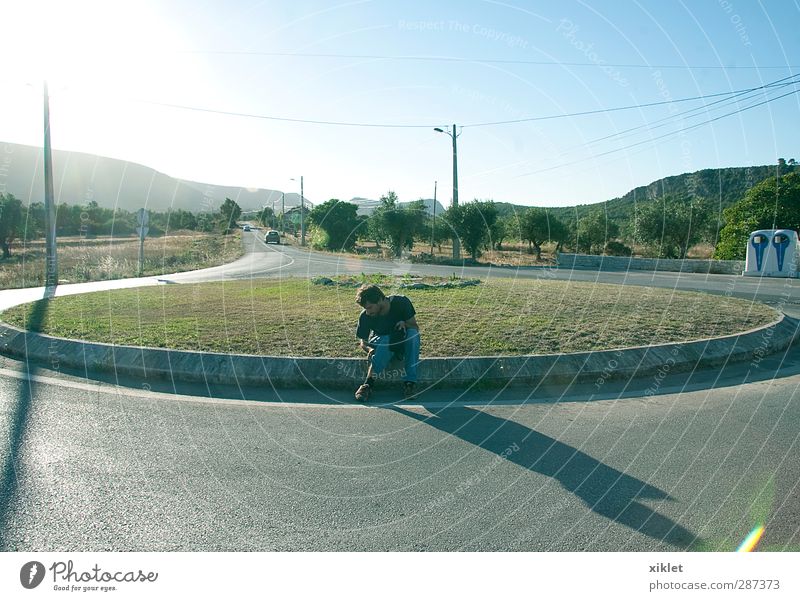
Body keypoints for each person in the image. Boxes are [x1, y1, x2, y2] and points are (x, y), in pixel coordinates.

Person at [354, 284, 420, 402]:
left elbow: (415, 327)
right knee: (386, 340)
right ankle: (368, 384)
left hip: (402, 338)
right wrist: (369, 350)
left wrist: (404, 323)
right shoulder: (365, 316)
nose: (367, 312)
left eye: (369, 307)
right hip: (380, 340)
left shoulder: (401, 302)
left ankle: (410, 383)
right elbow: (363, 342)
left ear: (380, 299)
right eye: (365, 308)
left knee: (413, 335)